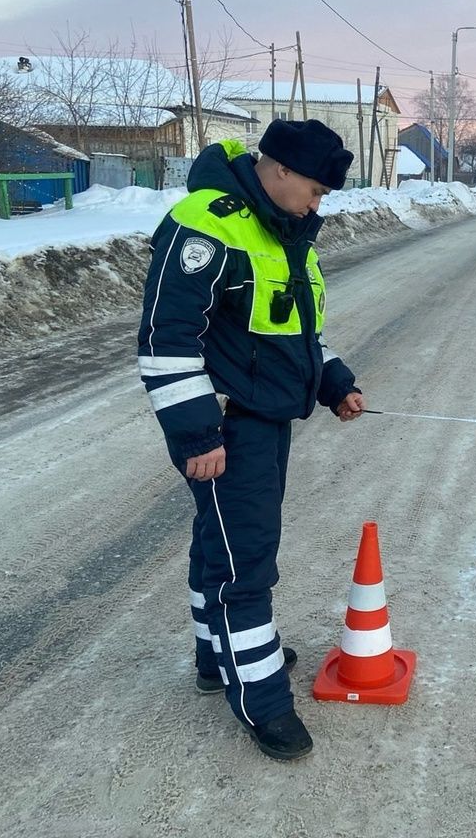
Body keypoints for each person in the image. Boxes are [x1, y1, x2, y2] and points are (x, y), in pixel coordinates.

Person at [137, 119, 365, 759]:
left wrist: (334, 383)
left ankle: (218, 659)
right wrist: (197, 434)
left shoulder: (283, 232)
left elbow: (297, 333)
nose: (317, 204)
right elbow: (165, 339)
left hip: (263, 421)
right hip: (224, 425)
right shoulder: (207, 224)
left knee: (221, 543)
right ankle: (262, 701)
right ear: (281, 169)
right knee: (246, 560)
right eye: (316, 190)